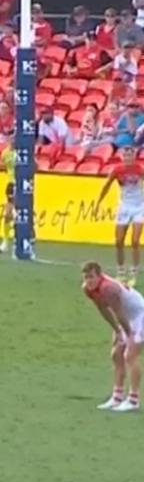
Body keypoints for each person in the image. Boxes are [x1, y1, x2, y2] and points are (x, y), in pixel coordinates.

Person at [83, 261, 144, 413]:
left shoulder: (109, 288)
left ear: (100, 276)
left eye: (91, 277)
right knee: (116, 354)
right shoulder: (88, 289)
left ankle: (133, 399)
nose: (88, 281)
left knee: (130, 356)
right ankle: (116, 396)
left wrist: (128, 334)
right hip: (127, 318)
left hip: (139, 315)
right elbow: (103, 310)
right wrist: (117, 330)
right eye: (86, 278)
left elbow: (119, 313)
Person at [98, 147, 144, 286]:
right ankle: (120, 272)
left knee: (135, 241)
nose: (127, 158)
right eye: (125, 155)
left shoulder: (139, 169)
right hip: (124, 206)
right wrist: (98, 202)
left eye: (130, 155)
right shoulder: (117, 170)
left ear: (134, 157)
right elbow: (106, 185)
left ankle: (134, 272)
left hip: (139, 206)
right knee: (119, 241)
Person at [0, 142, 17, 254]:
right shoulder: (5, 153)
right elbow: (2, 166)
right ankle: (5, 242)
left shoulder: (23, 152)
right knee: (8, 214)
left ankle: (24, 240)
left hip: (22, 185)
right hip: (11, 184)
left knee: (20, 215)